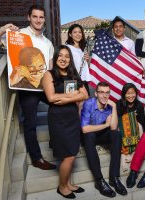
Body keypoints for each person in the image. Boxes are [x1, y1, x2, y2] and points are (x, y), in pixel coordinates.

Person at [0, 5, 56, 170]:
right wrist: (4, 29)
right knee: (30, 123)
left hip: (44, 86)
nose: (38, 20)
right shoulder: (19, 35)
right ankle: (36, 158)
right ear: (28, 18)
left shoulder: (48, 43)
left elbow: (50, 67)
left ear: (44, 19)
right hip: (27, 88)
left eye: (41, 17)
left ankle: (56, 140)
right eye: (35, 17)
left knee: (60, 106)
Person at [42, 45, 88, 199]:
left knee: (72, 153)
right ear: (56, 58)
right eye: (60, 56)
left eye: (67, 56)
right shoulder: (49, 75)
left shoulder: (74, 76)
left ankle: (67, 184)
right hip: (58, 119)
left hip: (72, 118)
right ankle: (62, 187)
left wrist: (68, 97)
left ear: (70, 59)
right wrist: (75, 95)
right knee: (68, 156)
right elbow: (51, 98)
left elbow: (85, 95)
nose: (63, 59)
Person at [81, 82, 127, 198]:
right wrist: (105, 125)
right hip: (88, 136)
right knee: (89, 135)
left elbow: (113, 128)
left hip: (101, 134)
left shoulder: (111, 106)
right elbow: (85, 129)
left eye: (107, 93)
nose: (104, 96)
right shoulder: (88, 104)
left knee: (116, 135)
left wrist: (115, 107)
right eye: (101, 92)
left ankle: (114, 178)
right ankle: (99, 180)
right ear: (96, 93)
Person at [116, 83, 145, 172]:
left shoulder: (139, 105)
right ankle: (125, 154)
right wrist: (129, 117)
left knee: (138, 126)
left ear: (136, 93)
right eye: (128, 93)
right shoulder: (119, 104)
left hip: (136, 130)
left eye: (133, 93)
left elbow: (142, 121)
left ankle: (133, 152)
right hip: (122, 129)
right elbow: (118, 119)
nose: (130, 96)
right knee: (122, 128)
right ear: (124, 94)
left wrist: (133, 119)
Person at [65, 24, 91, 95]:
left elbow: (86, 67)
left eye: (80, 32)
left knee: (85, 103)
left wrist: (87, 60)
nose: (78, 34)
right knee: (71, 103)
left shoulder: (82, 49)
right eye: (75, 32)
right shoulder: (67, 48)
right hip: (71, 80)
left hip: (83, 80)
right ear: (70, 34)